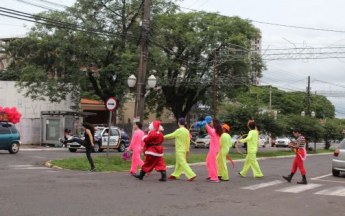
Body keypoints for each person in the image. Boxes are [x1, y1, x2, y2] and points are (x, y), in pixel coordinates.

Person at [205, 117, 222, 183]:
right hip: (214, 149)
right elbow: (211, 131)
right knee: (209, 162)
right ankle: (211, 175)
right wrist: (206, 125)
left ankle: (215, 177)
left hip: (213, 149)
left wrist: (206, 125)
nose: (210, 123)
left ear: (214, 123)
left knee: (212, 163)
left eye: (211, 122)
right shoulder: (215, 130)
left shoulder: (214, 130)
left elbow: (210, 131)